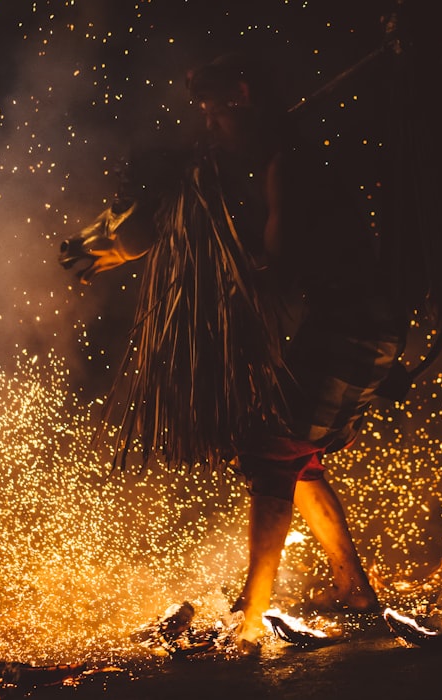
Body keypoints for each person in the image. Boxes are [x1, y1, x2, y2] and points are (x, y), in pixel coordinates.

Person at [60, 52, 409, 644]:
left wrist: (223, 261)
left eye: (214, 112)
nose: (208, 126)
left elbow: (283, 261)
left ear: (243, 98)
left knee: (274, 449)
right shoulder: (274, 159)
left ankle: (253, 617)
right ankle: (353, 589)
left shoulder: (288, 164)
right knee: (295, 454)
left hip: (359, 323)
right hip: (349, 321)